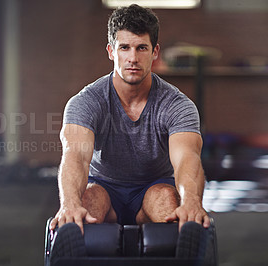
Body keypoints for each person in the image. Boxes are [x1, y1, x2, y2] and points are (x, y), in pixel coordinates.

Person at [49, 4, 210, 234]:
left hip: (153, 189)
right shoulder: (86, 102)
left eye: (141, 48)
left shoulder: (177, 105)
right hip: (104, 187)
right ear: (111, 51)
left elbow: (186, 158)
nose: (133, 58)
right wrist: (70, 204)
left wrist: (192, 202)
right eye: (124, 47)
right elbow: (76, 156)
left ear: (155, 52)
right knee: (83, 207)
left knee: (171, 208)